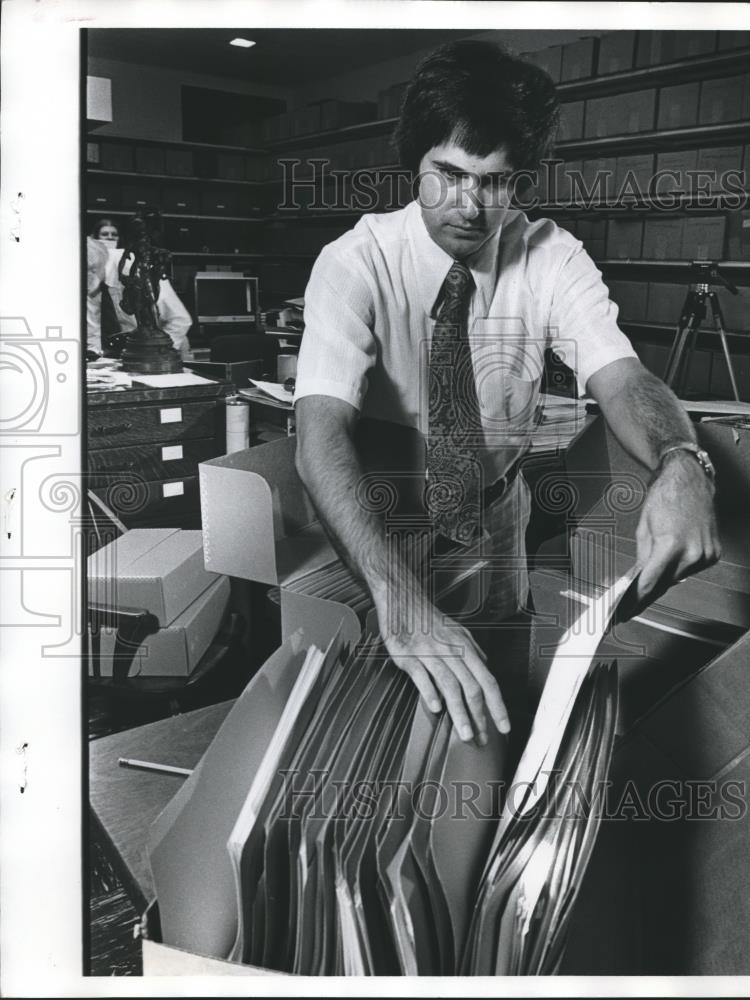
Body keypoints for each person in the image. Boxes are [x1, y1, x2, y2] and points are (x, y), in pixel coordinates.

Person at [293, 41, 719, 748]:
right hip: (389, 529)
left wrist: (680, 460)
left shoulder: (551, 256)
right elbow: (319, 437)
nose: (468, 205)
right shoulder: (353, 264)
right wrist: (397, 597)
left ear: (519, 180)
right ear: (413, 162)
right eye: (447, 175)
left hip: (497, 519)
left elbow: (622, 377)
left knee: (495, 714)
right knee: (397, 729)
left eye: (495, 183)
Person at [86, 216, 193, 358]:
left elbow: (180, 320)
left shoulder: (135, 270)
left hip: (165, 348)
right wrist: (94, 355)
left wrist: (156, 354)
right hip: (127, 352)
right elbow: (93, 329)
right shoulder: (91, 282)